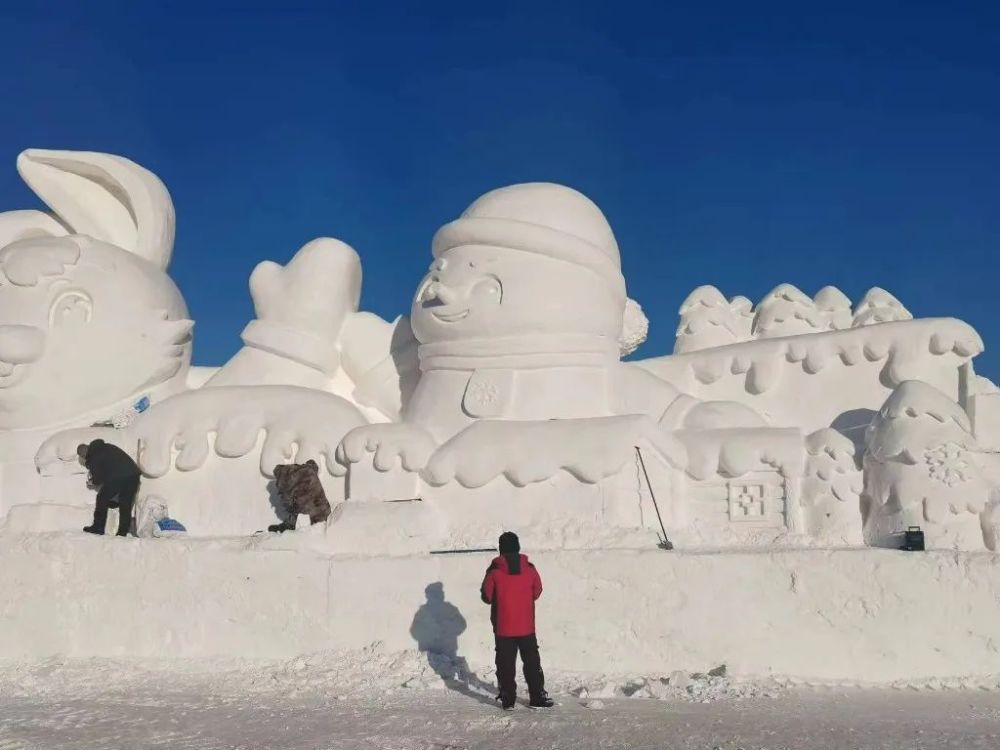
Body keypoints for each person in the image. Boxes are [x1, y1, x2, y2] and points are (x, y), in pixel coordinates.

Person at [480, 531, 553, 710]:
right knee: (532, 662)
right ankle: (537, 697)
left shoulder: (494, 571)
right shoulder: (530, 568)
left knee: (505, 663)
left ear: (501, 549)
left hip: (503, 626)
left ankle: (508, 698)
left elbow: (487, 596)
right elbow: (537, 591)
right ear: (518, 547)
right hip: (527, 625)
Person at [77, 439, 142, 536]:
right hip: (133, 474)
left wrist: (91, 482)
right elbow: (108, 468)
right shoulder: (105, 447)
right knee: (125, 503)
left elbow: (98, 479)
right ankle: (122, 532)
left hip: (119, 476)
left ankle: (98, 527)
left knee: (102, 498)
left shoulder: (94, 456)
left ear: (84, 455)